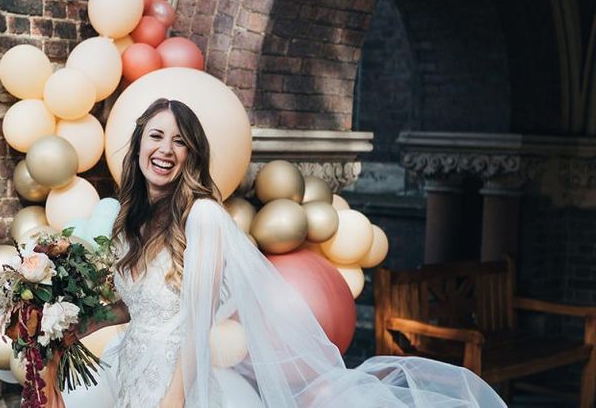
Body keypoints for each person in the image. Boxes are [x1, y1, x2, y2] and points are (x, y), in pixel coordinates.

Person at [95, 98, 507, 408]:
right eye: (156, 135)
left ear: (191, 155)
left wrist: (172, 401)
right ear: (138, 143)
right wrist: (75, 326)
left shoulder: (202, 217)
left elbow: (194, 326)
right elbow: (138, 307)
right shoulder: (131, 223)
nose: (166, 149)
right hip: (132, 374)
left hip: (177, 383)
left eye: (179, 141)